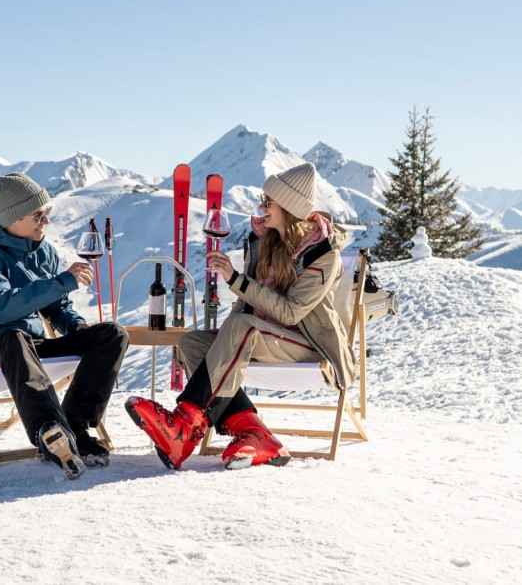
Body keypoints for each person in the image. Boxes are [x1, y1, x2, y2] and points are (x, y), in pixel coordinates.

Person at [126, 162, 356, 471]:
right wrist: (226, 335)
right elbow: (250, 307)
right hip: (263, 334)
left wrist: (236, 280)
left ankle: (183, 427)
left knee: (242, 327)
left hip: (307, 344)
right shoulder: (264, 242)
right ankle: (254, 434)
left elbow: (290, 311)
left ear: (288, 207)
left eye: (268, 202)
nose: (262, 208)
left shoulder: (323, 255)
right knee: (192, 343)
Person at [0, 172, 128, 480]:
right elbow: (1, 309)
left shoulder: (42, 251)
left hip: (29, 348)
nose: (45, 221)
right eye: (37, 215)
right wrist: (63, 281)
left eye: (46, 213)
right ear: (12, 218)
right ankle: (49, 429)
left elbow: (56, 305)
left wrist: (74, 327)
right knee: (12, 335)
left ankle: (74, 425)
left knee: (111, 334)